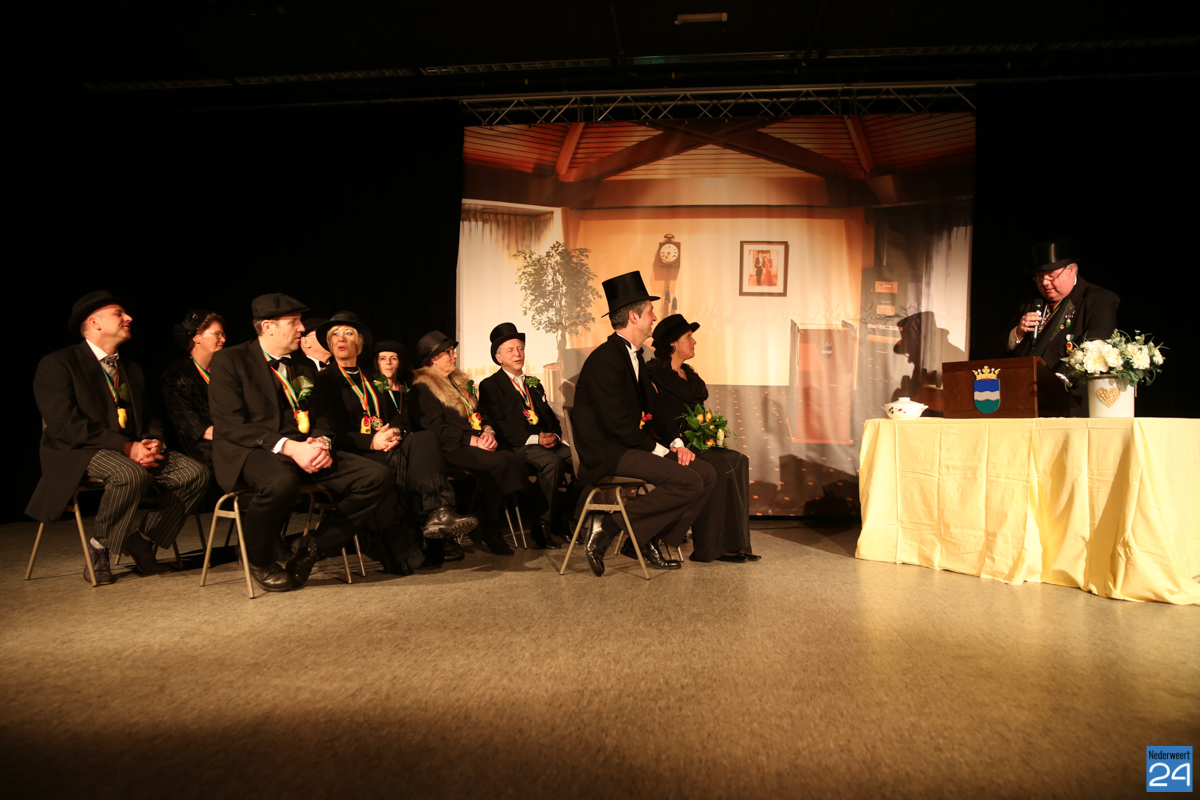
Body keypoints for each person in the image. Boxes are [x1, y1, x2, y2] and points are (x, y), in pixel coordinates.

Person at [208, 293, 389, 592]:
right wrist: (290, 447)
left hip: (305, 447)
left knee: (376, 476)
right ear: (268, 327)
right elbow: (231, 424)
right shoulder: (230, 360)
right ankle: (258, 559)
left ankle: (314, 547)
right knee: (280, 484)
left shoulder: (302, 365)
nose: (302, 329)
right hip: (254, 449)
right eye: (294, 322)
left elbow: (323, 415)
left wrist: (321, 442)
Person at [27, 291, 210, 584]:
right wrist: (126, 446)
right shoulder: (59, 363)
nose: (128, 318)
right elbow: (65, 426)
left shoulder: (131, 368)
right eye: (119, 314)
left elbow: (149, 416)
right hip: (80, 450)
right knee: (130, 474)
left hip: (129, 448)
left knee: (194, 473)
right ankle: (99, 547)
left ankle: (142, 540)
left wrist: (153, 441)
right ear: (94, 322)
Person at [570, 272, 716, 577]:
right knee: (688, 481)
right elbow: (617, 425)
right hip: (608, 451)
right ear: (634, 317)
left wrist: (675, 443)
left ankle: (645, 538)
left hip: (629, 444)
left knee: (705, 473)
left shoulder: (636, 356)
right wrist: (660, 451)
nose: (654, 317)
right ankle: (608, 527)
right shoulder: (606, 359)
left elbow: (655, 410)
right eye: (650, 311)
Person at [313, 313, 476, 572]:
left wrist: (394, 432)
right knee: (398, 463)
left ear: (359, 342)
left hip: (385, 441)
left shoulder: (372, 376)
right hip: (355, 450)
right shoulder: (324, 379)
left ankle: (438, 512)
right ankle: (420, 542)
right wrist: (371, 441)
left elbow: (397, 414)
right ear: (330, 344)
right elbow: (329, 430)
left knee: (424, 438)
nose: (341, 339)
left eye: (348, 333)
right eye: (335, 334)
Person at [645, 314, 757, 563]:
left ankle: (736, 543)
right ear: (673, 343)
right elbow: (657, 416)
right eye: (689, 337)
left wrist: (707, 433)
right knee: (717, 464)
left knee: (737, 460)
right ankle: (710, 547)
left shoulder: (689, 376)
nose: (694, 342)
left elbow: (698, 414)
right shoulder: (654, 374)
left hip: (693, 442)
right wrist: (677, 441)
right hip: (669, 444)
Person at [409, 330, 526, 557]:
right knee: (500, 462)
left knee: (513, 459)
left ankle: (482, 517)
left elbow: (482, 414)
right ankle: (490, 524)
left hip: (474, 441)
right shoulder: (422, 388)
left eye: (453, 351)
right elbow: (435, 429)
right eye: (449, 352)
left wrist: (488, 431)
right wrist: (473, 440)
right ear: (433, 359)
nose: (455, 356)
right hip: (449, 447)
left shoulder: (460, 384)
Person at [478, 322, 579, 550]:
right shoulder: (490, 385)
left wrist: (554, 435)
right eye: (510, 350)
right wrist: (535, 439)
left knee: (583, 461)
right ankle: (541, 526)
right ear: (499, 357)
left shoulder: (534, 384)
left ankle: (563, 518)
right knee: (551, 463)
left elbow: (551, 420)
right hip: (517, 445)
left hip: (545, 442)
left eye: (520, 348)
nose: (517, 354)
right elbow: (499, 425)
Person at [1006, 239, 1119, 378]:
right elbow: (998, 347)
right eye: (1040, 277)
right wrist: (1018, 333)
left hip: (1065, 384)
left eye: (1051, 276)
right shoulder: (1030, 302)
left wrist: (1061, 379)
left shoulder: (1099, 300)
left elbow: (1094, 348)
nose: (1045, 283)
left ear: (1071, 271)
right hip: (1020, 380)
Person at [161, 308, 226, 466]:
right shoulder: (176, 374)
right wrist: (232, 436)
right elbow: (189, 423)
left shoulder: (226, 370)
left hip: (230, 437)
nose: (223, 339)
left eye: (223, 334)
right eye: (217, 334)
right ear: (197, 338)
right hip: (201, 445)